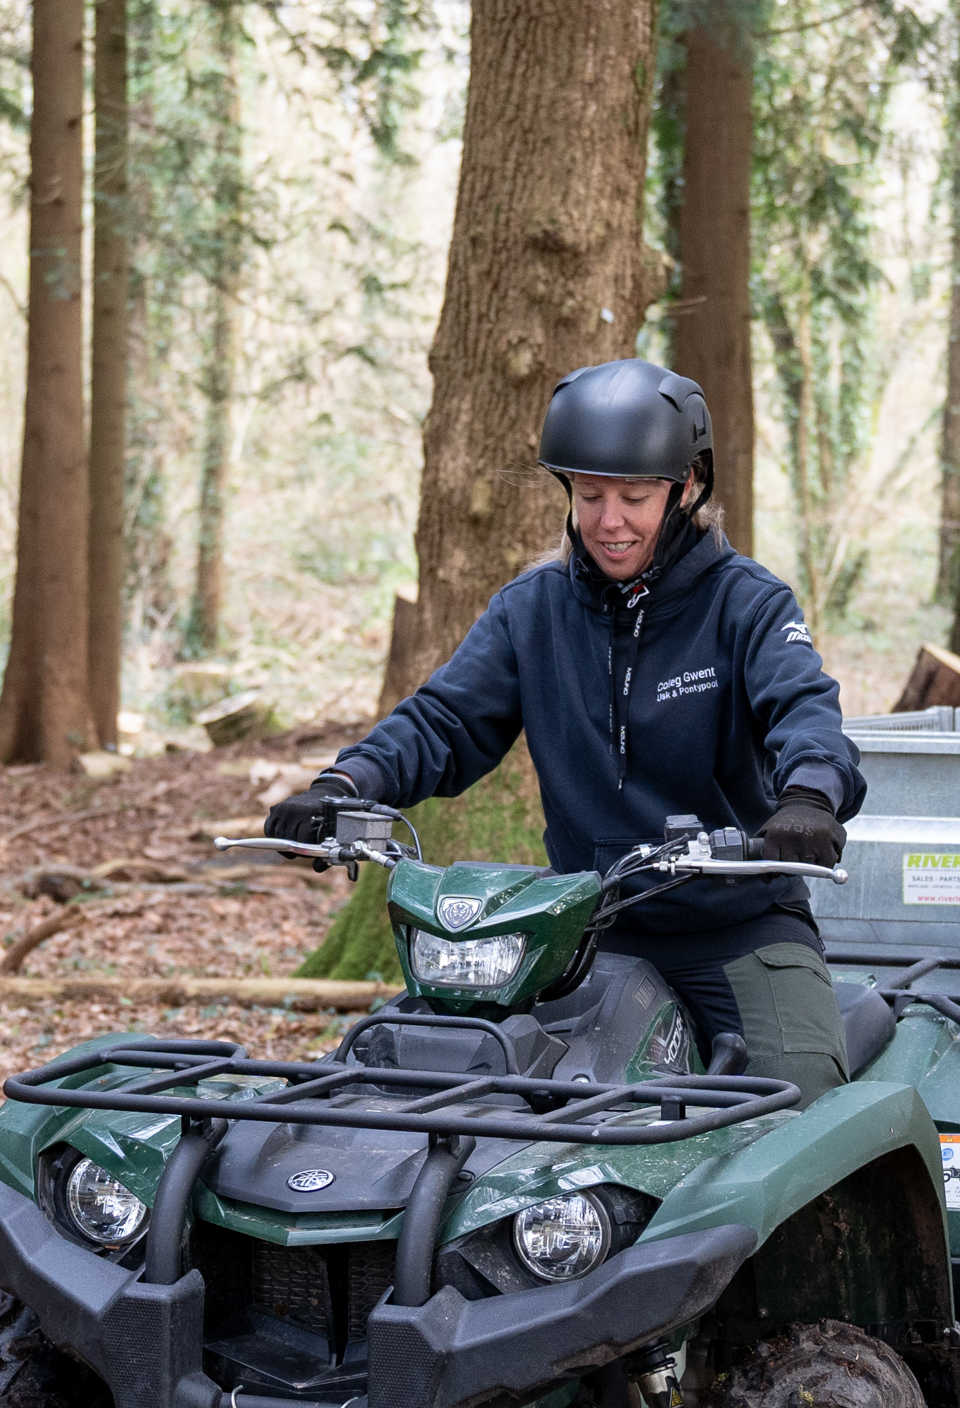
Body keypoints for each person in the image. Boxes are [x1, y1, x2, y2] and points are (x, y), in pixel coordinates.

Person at [266, 360, 863, 1093]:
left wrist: (809, 795)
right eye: (589, 494)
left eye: (634, 496)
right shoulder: (532, 608)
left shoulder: (748, 604)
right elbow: (445, 719)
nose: (610, 521)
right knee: (425, 1085)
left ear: (686, 487)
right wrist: (348, 781)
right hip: (579, 931)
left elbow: (804, 708)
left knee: (796, 1106)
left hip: (738, 929)